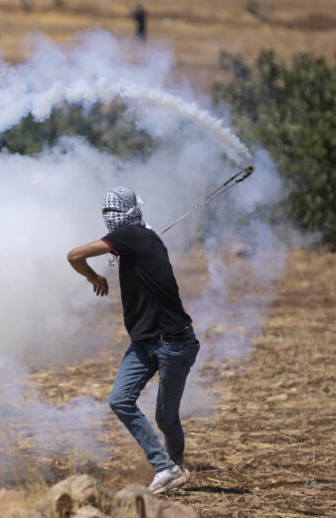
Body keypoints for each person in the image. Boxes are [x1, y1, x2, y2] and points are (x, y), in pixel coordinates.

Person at [67, 187, 199, 495]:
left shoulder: (131, 236)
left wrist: (93, 277)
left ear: (129, 213)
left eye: (114, 212)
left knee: (166, 418)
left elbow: (73, 255)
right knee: (119, 400)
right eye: (106, 213)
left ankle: (172, 471)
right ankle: (167, 469)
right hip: (145, 341)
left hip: (174, 343)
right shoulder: (136, 237)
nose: (110, 218)